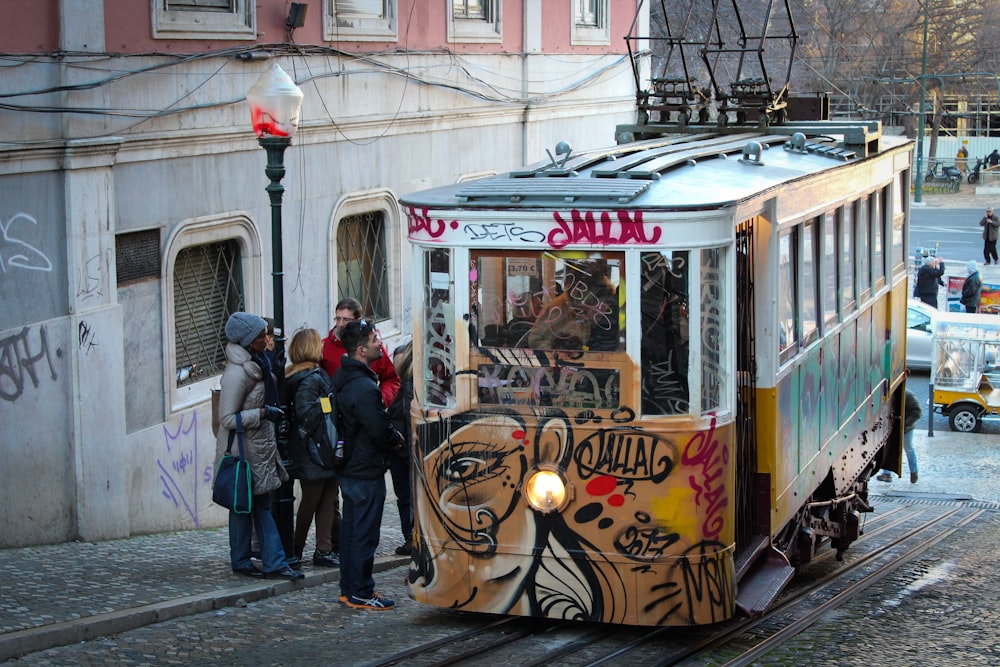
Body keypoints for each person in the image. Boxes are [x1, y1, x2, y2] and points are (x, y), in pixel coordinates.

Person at [216, 312, 303, 580]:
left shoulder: (260, 364)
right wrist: (263, 413)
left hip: (261, 447)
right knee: (248, 506)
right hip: (243, 451)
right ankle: (266, 562)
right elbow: (227, 418)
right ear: (247, 340)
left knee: (255, 506)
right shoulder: (237, 373)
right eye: (261, 335)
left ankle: (254, 561)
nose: (267, 339)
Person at [319, 297, 400, 554]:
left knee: (358, 525)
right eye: (337, 319)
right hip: (350, 442)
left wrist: (381, 401)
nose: (340, 324)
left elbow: (391, 379)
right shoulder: (328, 350)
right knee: (358, 527)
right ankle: (352, 580)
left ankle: (352, 580)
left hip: (363, 432)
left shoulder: (373, 352)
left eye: (346, 319)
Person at [333, 319, 405, 610]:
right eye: (375, 339)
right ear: (361, 350)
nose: (380, 344)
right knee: (363, 533)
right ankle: (361, 591)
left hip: (351, 466)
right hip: (364, 468)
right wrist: (395, 438)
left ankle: (350, 588)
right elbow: (377, 428)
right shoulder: (363, 387)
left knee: (352, 531)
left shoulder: (344, 378)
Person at [283, 328, 341, 569]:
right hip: (314, 447)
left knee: (327, 497)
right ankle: (297, 546)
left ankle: (323, 549)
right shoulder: (309, 377)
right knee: (313, 498)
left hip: (320, 446)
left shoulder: (306, 374)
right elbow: (307, 414)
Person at [386, 340, 414, 556]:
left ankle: (414, 536)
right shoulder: (393, 384)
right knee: (404, 495)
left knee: (412, 495)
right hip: (399, 447)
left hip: (412, 444)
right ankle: (409, 536)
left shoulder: (413, 383)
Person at [877, 384, 920, 484]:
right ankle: (886, 474)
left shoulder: (908, 396)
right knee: (889, 448)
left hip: (906, 429)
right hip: (893, 427)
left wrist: (905, 425)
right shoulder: (889, 395)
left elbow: (917, 412)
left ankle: (914, 472)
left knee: (909, 449)